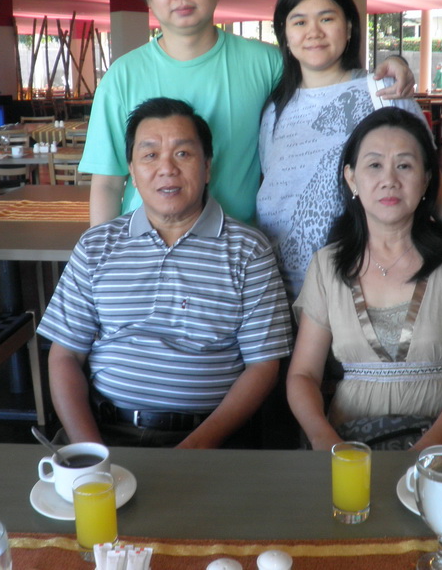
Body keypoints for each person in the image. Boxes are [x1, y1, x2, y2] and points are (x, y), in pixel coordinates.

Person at [79, 0, 415, 229]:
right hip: (148, 248)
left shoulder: (266, 63)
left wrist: (390, 67)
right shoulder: (122, 76)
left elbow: (327, 76)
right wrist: (100, 257)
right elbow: (108, 184)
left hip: (240, 251)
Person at [38, 97, 293, 448]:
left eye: (183, 154)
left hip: (211, 440)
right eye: (150, 155)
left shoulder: (249, 250)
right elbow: (65, 355)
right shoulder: (96, 246)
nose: (167, 169)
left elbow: (263, 366)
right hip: (105, 433)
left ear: (207, 167)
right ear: (132, 171)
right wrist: (91, 452)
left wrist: (194, 449)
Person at [258, 0, 442, 307]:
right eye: (299, 21)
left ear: (350, 27)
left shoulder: (383, 92)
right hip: (280, 291)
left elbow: (425, 178)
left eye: (327, 19)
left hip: (360, 289)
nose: (313, 32)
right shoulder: (274, 110)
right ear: (284, 33)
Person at [286, 107, 442, 451]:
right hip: (351, 440)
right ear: (351, 178)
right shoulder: (327, 266)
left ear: (427, 179)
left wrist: (423, 452)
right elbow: (303, 374)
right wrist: (324, 440)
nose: (389, 180)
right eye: (374, 165)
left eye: (404, 165)